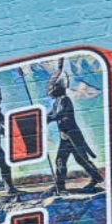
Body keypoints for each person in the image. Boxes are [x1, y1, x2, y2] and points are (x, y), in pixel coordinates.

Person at [45, 60, 104, 194]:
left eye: (52, 87)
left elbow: (59, 114)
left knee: (82, 159)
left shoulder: (65, 100)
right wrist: (44, 118)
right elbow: (52, 113)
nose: (50, 90)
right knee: (60, 160)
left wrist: (48, 118)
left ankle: (96, 178)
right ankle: (60, 186)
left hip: (72, 135)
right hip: (65, 137)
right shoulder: (57, 102)